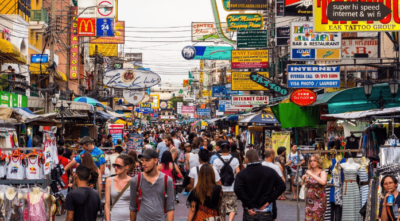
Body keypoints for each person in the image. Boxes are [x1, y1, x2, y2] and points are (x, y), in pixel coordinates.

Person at [234, 150, 286, 221]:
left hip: (249, 212)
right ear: (258, 159)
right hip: (265, 211)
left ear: (247, 160)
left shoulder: (242, 174)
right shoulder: (270, 171)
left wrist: (249, 205)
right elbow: (282, 186)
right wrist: (269, 200)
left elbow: (237, 189)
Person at [129, 149, 175, 221]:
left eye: (147, 160)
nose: (143, 164)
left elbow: (170, 208)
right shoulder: (135, 180)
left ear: (156, 161)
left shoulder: (167, 180)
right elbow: (132, 208)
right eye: (142, 160)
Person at [212, 142, 240, 221]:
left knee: (221, 208)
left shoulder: (216, 161)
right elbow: (238, 172)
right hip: (232, 188)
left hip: (220, 189)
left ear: (221, 150)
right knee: (232, 207)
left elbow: (215, 175)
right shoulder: (235, 160)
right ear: (229, 150)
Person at [105, 155, 133, 221]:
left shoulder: (133, 181)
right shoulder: (109, 180)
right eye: (114, 165)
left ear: (127, 167)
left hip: (129, 218)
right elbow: (107, 205)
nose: (116, 168)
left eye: (119, 166)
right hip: (114, 217)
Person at [301, 154, 327, 221]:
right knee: (308, 218)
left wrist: (311, 174)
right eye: (310, 161)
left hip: (319, 201)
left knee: (317, 218)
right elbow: (303, 185)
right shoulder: (309, 172)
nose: (312, 162)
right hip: (309, 201)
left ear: (319, 161)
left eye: (314, 160)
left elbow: (323, 182)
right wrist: (304, 179)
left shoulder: (322, 172)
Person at [57, 146, 70, 216]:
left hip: (55, 180)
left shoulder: (53, 160)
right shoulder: (66, 160)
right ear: (63, 152)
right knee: (64, 196)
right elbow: (74, 165)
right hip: (64, 180)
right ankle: (63, 209)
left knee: (57, 195)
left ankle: (58, 210)